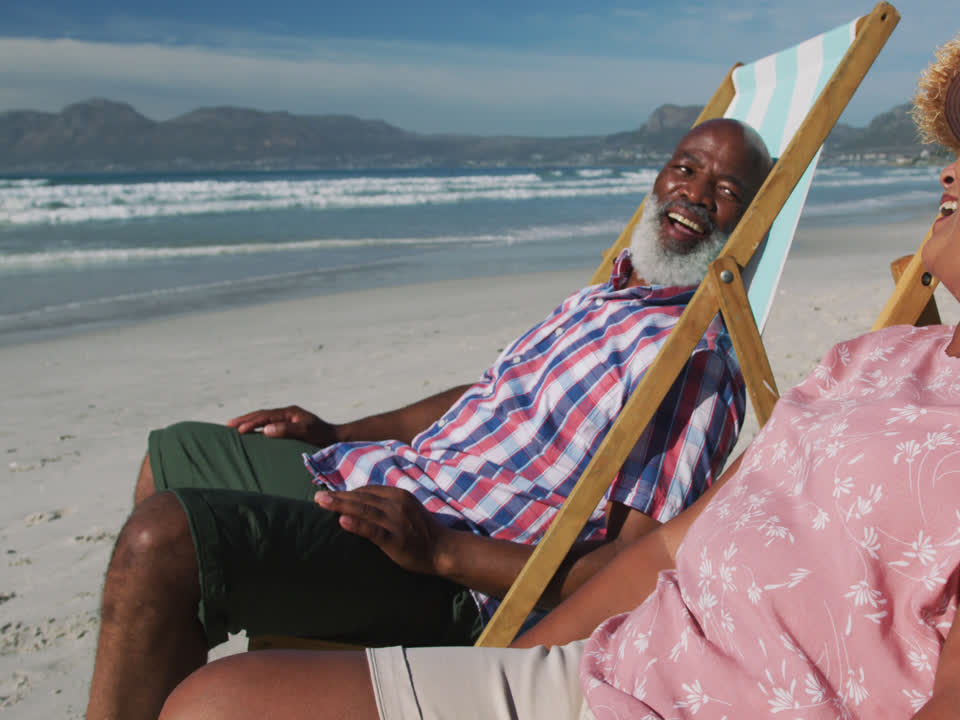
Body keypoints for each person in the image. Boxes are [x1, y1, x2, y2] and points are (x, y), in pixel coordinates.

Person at [156, 21, 960, 720]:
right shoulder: (875, 357)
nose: (944, 171)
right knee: (215, 705)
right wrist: (507, 671)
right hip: (599, 679)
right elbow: (671, 548)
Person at [85, 118, 775, 720]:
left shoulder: (696, 363)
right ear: (659, 176)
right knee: (174, 454)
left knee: (162, 540)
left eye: (726, 190)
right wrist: (338, 433)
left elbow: (630, 566)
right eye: (686, 167)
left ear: (751, 223)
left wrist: (442, 552)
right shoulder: (608, 297)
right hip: (393, 479)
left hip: (446, 573)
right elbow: (489, 394)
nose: (695, 192)